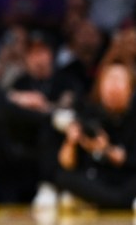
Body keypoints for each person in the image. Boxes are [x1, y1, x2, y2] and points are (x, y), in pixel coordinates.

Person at [52, 62, 136, 210]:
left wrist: (107, 150)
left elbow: (127, 159)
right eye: (109, 80)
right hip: (98, 179)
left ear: (130, 89)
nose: (113, 87)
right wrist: (71, 142)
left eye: (119, 81)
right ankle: (106, 201)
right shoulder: (89, 114)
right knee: (63, 177)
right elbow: (66, 164)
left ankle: (98, 201)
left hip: (126, 179)